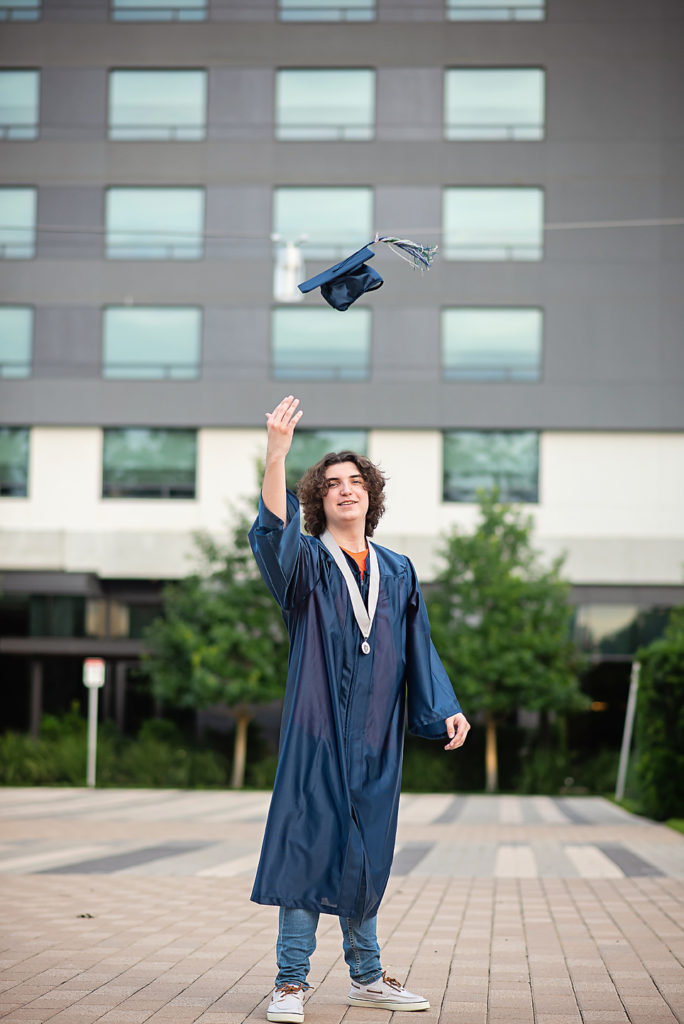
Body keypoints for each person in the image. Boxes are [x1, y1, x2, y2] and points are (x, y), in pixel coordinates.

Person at [249, 396, 470, 1024]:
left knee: (366, 850)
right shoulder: (309, 564)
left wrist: (443, 706)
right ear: (317, 501)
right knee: (307, 843)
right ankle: (290, 983)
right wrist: (277, 455)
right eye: (332, 485)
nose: (346, 491)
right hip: (317, 733)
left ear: (371, 497)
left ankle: (367, 977)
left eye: (355, 482)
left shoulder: (399, 570)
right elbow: (271, 531)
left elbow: (418, 647)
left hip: (376, 737)